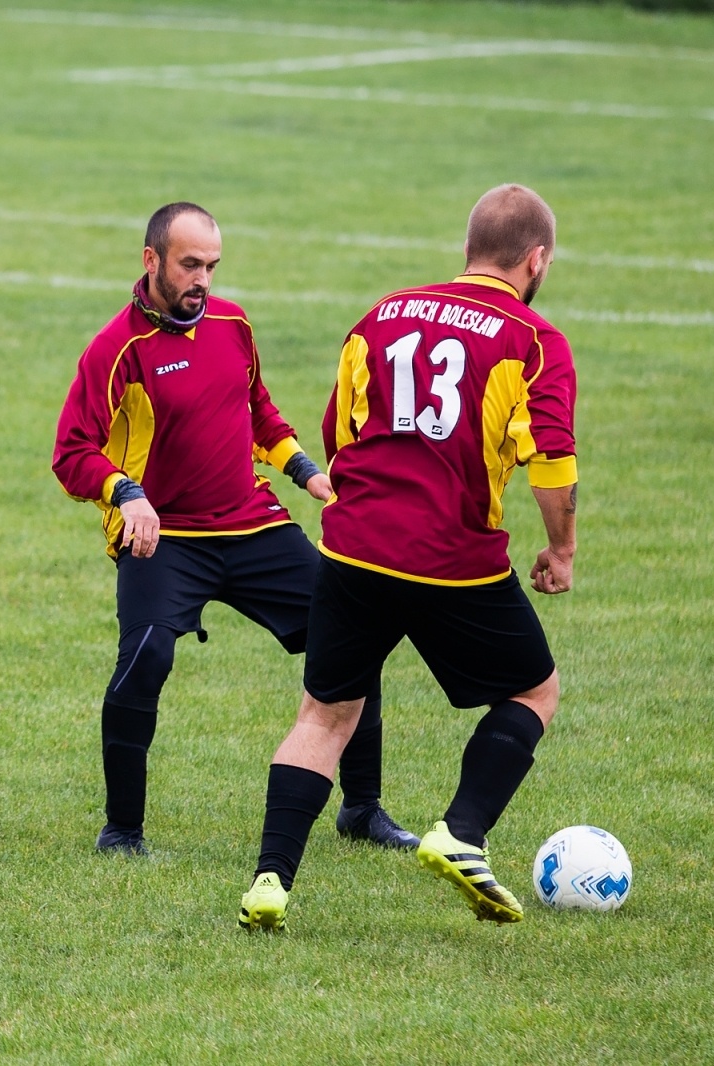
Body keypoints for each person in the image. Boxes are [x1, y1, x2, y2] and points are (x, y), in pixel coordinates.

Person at [238, 184, 577, 931]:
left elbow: (338, 428)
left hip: (352, 547)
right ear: (536, 258)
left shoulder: (383, 314)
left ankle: (269, 881)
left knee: (324, 715)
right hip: (456, 559)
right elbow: (551, 459)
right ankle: (461, 833)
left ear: (467, 250)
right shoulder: (535, 340)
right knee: (535, 692)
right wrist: (560, 548)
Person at [53, 202, 418, 855]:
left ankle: (362, 809)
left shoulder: (232, 322)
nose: (203, 280)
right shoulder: (118, 349)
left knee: (352, 636)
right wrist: (127, 494)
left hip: (253, 525)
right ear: (151, 260)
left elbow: (259, 413)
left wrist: (311, 475)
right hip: (167, 540)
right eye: (190, 265)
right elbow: (72, 451)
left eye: (212, 266)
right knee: (145, 659)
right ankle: (122, 830)